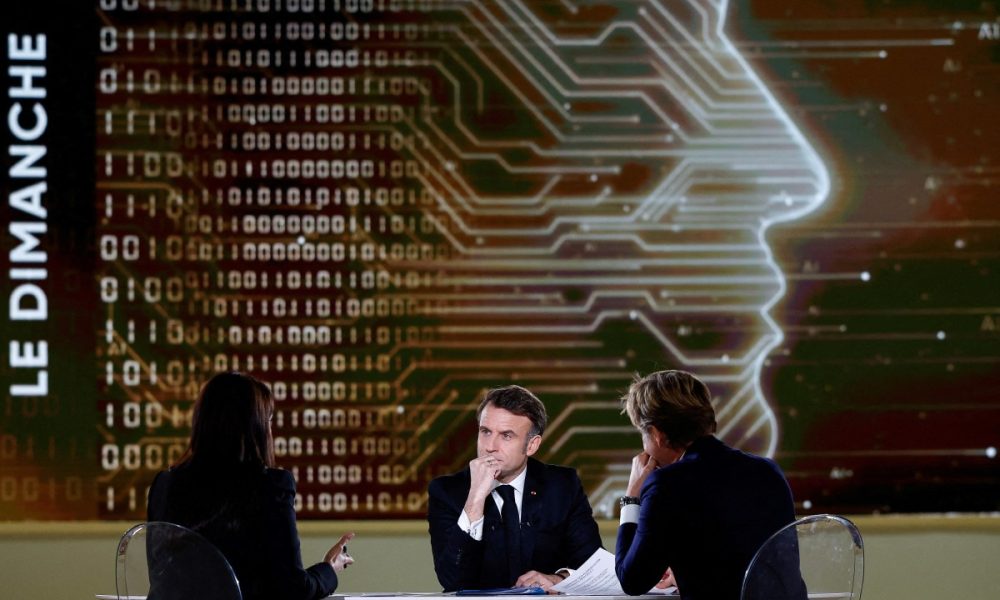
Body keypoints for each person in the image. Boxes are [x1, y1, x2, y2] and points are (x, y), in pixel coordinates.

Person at [147, 371, 355, 600]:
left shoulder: (164, 486)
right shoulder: (271, 486)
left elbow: (165, 578)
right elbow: (293, 589)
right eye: (269, 419)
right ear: (256, 427)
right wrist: (329, 569)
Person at [615, 370, 798, 600]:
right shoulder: (768, 470)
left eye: (643, 434)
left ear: (657, 434)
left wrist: (632, 497)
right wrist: (687, 571)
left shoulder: (666, 485)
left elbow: (631, 580)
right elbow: (733, 553)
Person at [427, 385, 603, 592]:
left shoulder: (562, 485)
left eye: (506, 436)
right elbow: (452, 579)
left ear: (532, 445)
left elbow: (593, 565)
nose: (490, 446)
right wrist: (475, 497)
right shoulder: (446, 491)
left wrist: (556, 579)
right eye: (485, 432)